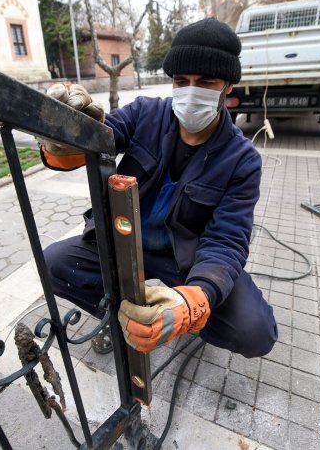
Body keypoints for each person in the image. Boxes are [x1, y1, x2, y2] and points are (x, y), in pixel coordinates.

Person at [40, 18, 277, 359]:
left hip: (183, 264)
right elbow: (100, 139)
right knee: (54, 262)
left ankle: (172, 313)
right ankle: (120, 317)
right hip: (124, 249)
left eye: (206, 82)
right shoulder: (144, 115)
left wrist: (191, 303)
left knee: (255, 330)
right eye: (182, 81)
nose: (191, 90)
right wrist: (64, 140)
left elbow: (226, 241)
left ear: (229, 86)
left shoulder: (242, 160)